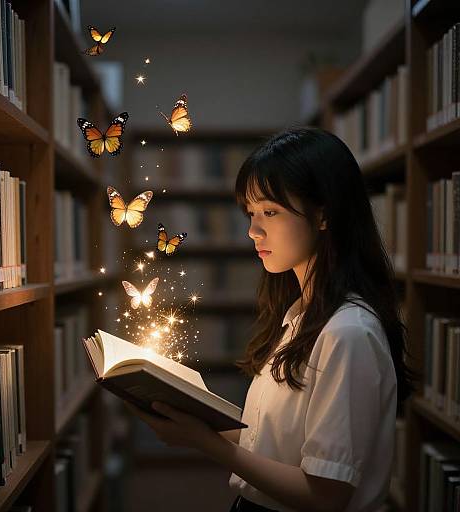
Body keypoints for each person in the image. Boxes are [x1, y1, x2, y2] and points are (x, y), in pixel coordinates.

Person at [124, 128, 417, 512]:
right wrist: (192, 415)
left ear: (324, 214)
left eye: (270, 211)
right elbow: (276, 443)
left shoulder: (348, 333)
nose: (253, 230)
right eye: (251, 212)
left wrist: (204, 442)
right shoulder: (301, 316)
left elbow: (326, 496)